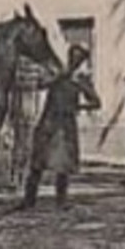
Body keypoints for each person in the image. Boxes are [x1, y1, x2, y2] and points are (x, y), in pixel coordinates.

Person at [23, 43, 101, 210]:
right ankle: (29, 200)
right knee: (38, 161)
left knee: (63, 165)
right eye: (73, 57)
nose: (76, 61)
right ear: (69, 57)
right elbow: (41, 84)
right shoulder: (56, 72)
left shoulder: (81, 79)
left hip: (66, 124)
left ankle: (61, 201)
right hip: (48, 120)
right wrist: (61, 76)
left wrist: (78, 107)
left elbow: (96, 102)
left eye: (79, 59)